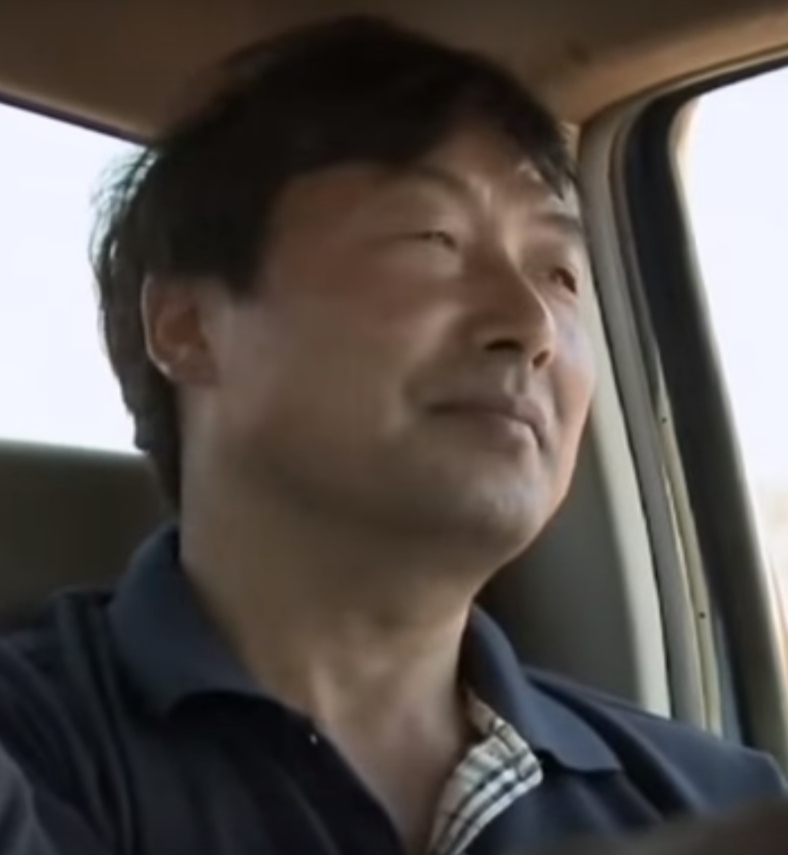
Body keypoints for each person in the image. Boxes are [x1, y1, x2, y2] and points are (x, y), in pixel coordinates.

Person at [0, 15, 785, 855]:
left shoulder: (722, 792)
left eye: (560, 274)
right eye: (432, 238)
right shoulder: (31, 742)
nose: (531, 324)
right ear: (187, 324)